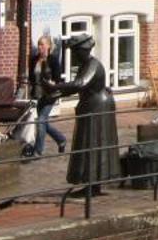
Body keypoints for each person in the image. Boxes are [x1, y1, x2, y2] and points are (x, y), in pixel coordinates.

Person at [50, 32, 120, 194]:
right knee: (89, 143)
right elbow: (78, 86)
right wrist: (54, 95)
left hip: (97, 108)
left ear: (82, 50)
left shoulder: (92, 65)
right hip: (91, 106)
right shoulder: (86, 65)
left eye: (75, 51)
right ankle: (92, 183)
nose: (73, 55)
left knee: (93, 142)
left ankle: (93, 185)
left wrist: (56, 87)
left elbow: (80, 84)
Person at [25, 32, 67, 159]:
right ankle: (61, 139)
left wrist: (53, 82)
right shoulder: (34, 60)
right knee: (44, 123)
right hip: (38, 95)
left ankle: (38, 151)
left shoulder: (53, 60)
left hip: (50, 95)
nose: (40, 47)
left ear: (48, 46)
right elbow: (32, 78)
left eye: (42, 45)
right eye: (38, 45)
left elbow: (58, 79)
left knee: (41, 120)